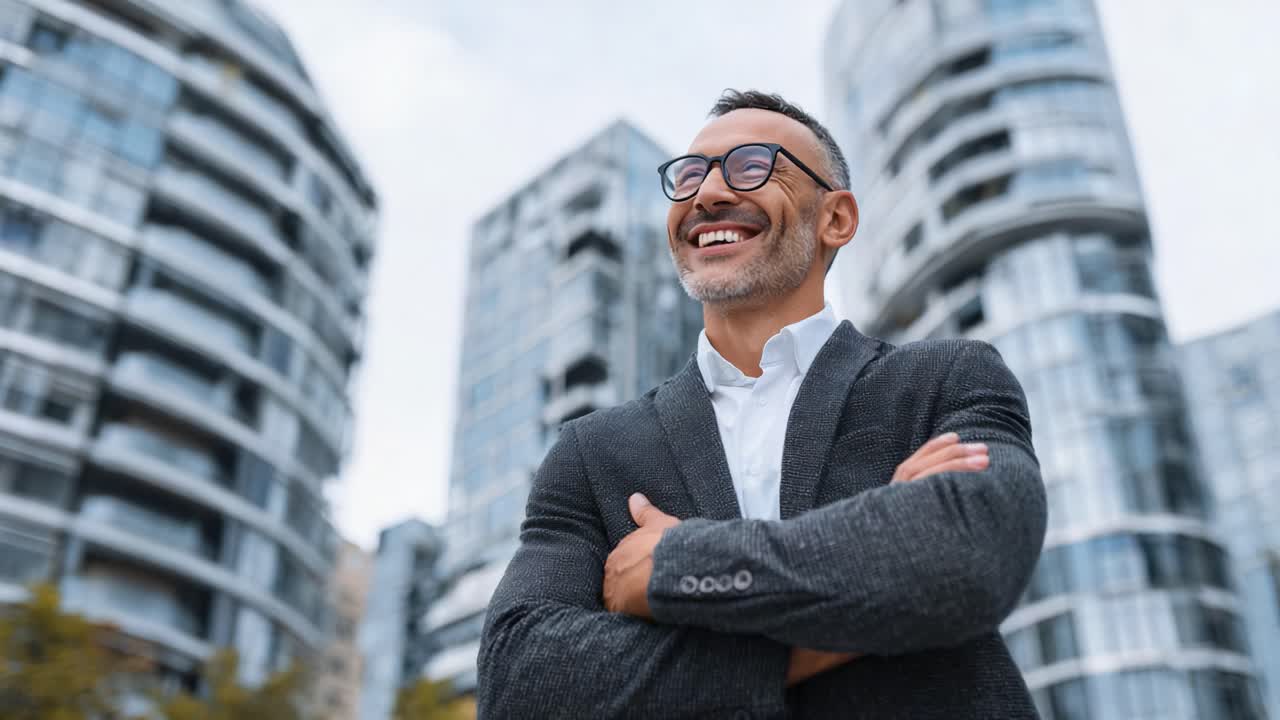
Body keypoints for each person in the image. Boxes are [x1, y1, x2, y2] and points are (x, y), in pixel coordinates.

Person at [477, 89, 1047, 719]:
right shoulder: (593, 453)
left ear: (836, 219)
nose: (706, 194)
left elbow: (974, 550)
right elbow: (520, 682)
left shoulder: (945, 378)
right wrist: (871, 591)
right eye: (689, 176)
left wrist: (677, 564)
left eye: (751, 166)